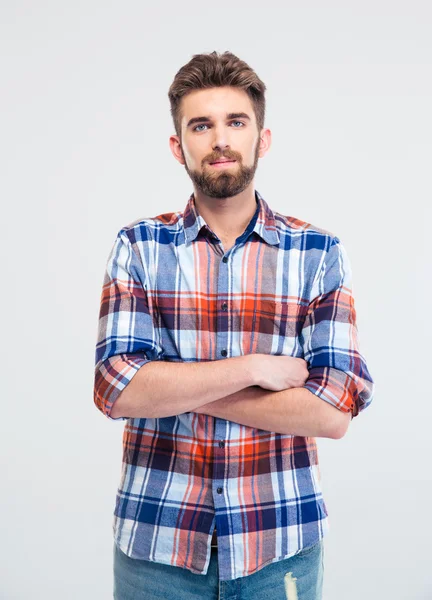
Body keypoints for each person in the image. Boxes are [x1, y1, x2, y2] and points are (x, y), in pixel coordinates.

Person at [93, 50, 375, 600]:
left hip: (279, 547)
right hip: (157, 547)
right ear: (179, 147)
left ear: (261, 139)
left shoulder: (317, 252)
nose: (219, 139)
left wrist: (171, 385)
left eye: (235, 122)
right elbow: (114, 387)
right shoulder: (139, 248)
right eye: (201, 125)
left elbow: (333, 411)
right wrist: (254, 369)